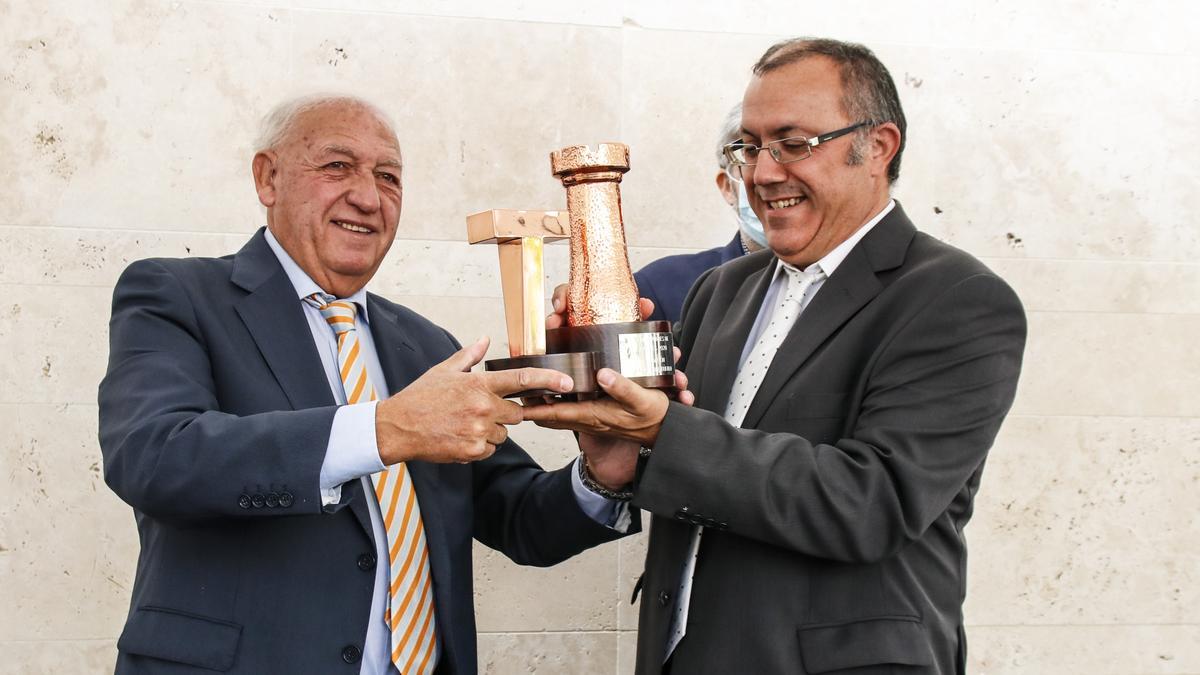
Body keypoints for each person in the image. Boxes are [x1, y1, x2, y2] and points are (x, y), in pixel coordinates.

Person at [524, 37, 1027, 674]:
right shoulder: (724, 287)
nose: (762, 172)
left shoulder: (957, 299)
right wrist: (620, 458)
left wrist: (663, 429)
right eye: (750, 146)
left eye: (793, 144)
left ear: (878, 147)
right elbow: (691, 464)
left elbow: (870, 503)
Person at [97, 94, 645, 674]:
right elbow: (153, 457)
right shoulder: (175, 294)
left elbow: (519, 519)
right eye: (336, 166)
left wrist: (603, 473)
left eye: (388, 177)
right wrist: (383, 430)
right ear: (268, 177)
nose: (366, 196)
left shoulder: (426, 345)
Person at [633, 103, 766, 324]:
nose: (769, 177)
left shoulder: (839, 282)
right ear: (726, 187)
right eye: (751, 154)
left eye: (792, 147)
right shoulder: (659, 287)